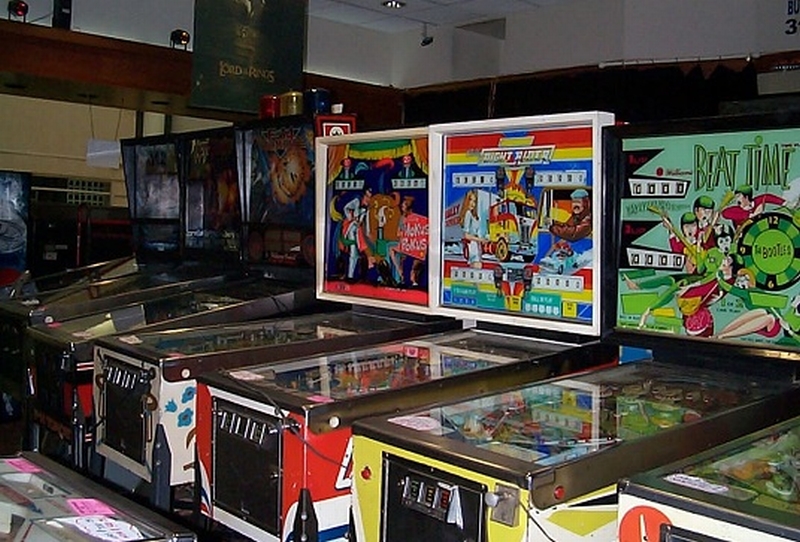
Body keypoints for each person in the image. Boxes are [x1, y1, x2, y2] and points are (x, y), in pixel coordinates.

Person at [459, 189, 483, 268]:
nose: (473, 203)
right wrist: (480, 239)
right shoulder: (468, 213)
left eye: (474, 201)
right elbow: (466, 235)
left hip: (475, 246)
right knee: (476, 267)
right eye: (470, 200)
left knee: (476, 267)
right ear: (467, 201)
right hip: (472, 246)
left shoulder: (472, 214)